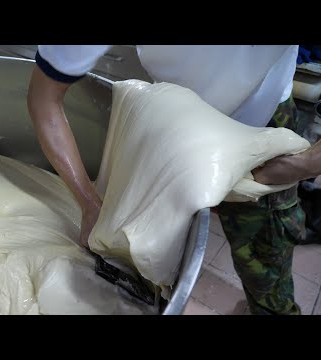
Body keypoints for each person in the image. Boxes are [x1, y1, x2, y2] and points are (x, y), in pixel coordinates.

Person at [27, 45, 320, 315]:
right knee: (153, 239)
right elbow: (44, 98)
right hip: (169, 119)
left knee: (264, 260)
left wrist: (302, 164)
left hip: (258, 120)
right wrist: (89, 203)